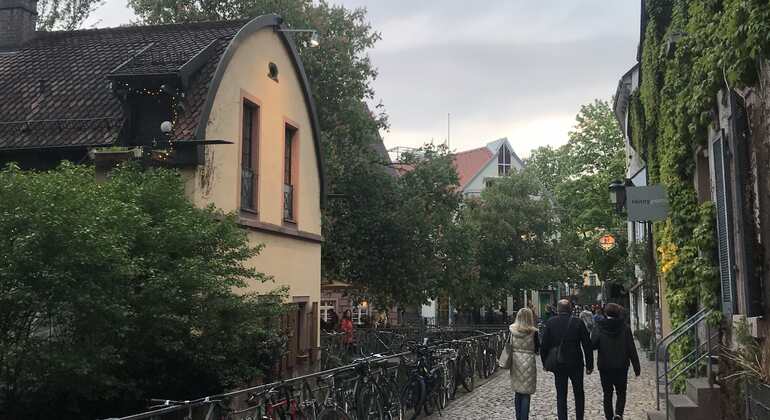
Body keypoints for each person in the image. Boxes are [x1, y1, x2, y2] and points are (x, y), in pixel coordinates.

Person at [541, 299, 594, 420]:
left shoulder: (551, 322)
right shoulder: (578, 322)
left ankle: (562, 417)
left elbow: (544, 345)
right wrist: (589, 365)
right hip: (576, 362)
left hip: (559, 363)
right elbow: (587, 345)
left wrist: (545, 363)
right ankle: (579, 417)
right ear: (570, 309)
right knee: (579, 393)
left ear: (558, 309)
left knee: (561, 394)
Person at [591, 303, 641, 420]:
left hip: (605, 366)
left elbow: (592, 344)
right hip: (621, 365)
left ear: (605, 313)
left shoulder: (599, 326)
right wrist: (636, 367)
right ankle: (618, 413)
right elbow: (631, 348)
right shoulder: (625, 327)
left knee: (607, 394)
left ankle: (609, 417)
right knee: (621, 392)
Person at [508, 308, 539, 420]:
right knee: (526, 393)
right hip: (528, 362)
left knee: (518, 391)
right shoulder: (533, 332)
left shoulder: (512, 330)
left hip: (515, 361)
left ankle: (518, 417)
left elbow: (509, 345)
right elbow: (537, 349)